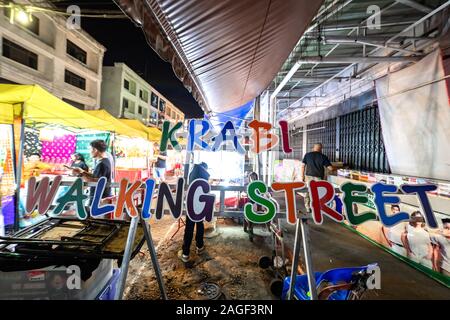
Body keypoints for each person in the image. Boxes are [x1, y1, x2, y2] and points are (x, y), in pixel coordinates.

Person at [178, 162, 209, 263]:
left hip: (191, 203)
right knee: (200, 224)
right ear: (204, 168)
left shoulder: (193, 172)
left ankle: (185, 254)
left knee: (189, 228)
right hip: (200, 205)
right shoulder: (204, 175)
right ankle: (199, 247)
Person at [72, 140, 112, 206]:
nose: (89, 152)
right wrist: (82, 171)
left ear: (95, 150)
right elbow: (95, 176)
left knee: (91, 215)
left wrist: (80, 174)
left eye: (90, 149)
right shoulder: (104, 161)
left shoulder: (102, 164)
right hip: (99, 196)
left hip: (98, 197)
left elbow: (95, 181)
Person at [300, 143, 333, 212]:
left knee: (308, 192)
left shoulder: (307, 155)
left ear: (313, 148)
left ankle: (307, 207)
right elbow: (330, 168)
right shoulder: (323, 156)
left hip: (308, 176)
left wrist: (302, 176)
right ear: (321, 149)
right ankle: (316, 207)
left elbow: (303, 166)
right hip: (318, 177)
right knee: (318, 192)